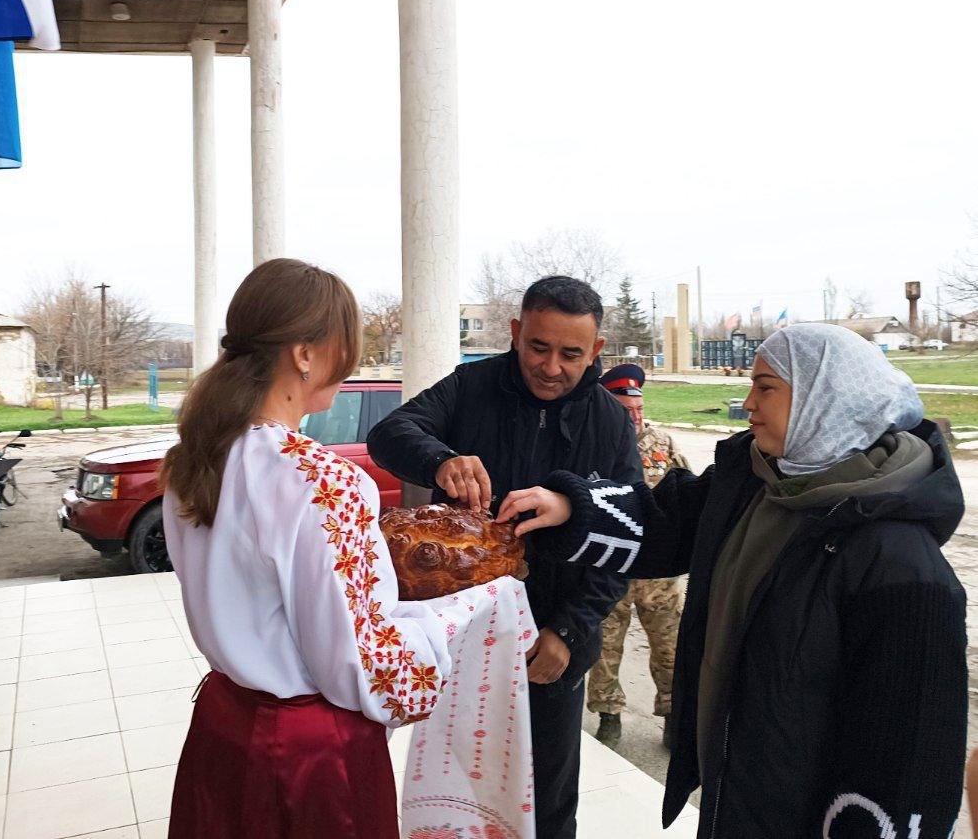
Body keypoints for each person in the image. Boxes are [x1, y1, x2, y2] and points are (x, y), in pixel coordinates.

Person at [500, 323, 968, 837]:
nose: (748, 403)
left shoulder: (903, 567)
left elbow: (905, 764)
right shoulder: (755, 482)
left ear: (825, 398)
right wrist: (570, 507)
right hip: (737, 792)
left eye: (766, 387)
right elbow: (667, 524)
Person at [161, 259, 451, 839]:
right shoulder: (326, 481)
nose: (354, 360)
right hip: (308, 755)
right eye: (346, 342)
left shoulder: (193, 457)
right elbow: (360, 662)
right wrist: (446, 623)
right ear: (303, 353)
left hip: (223, 725)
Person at [367, 275, 640, 839]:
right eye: (538, 347)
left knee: (547, 796)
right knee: (460, 784)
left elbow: (626, 538)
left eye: (571, 354)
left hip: (552, 644)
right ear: (516, 333)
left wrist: (569, 630)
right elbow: (391, 433)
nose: (551, 367)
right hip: (463, 639)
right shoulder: (472, 386)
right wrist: (440, 459)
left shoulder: (610, 422)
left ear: (595, 351)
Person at [588, 363, 690, 747]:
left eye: (638, 408)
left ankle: (672, 715)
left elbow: (687, 493)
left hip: (659, 574)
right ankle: (608, 714)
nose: (635, 416)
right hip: (610, 567)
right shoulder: (595, 446)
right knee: (604, 647)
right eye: (625, 409)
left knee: (670, 649)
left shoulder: (662, 444)